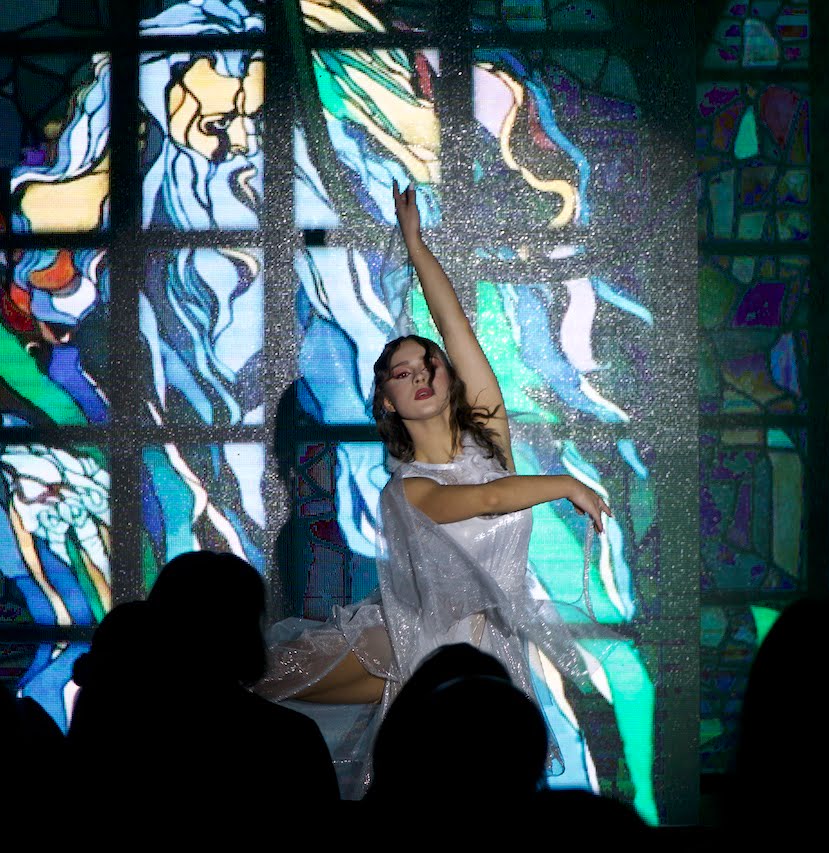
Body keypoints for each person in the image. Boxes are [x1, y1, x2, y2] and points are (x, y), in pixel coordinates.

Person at [256, 184, 610, 786]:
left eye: (430, 365)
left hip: (491, 654)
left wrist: (416, 247)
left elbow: (453, 324)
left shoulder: (488, 442)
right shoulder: (408, 491)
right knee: (260, 687)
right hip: (410, 642)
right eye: (402, 373)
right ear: (387, 402)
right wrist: (564, 484)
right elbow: (487, 500)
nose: (420, 376)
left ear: (448, 378)